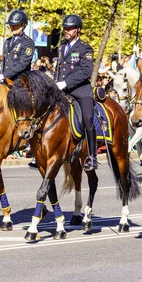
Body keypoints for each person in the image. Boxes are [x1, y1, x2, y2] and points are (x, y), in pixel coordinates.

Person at [54, 14, 98, 171]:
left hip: (80, 90)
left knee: (87, 118)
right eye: (65, 28)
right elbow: (59, 69)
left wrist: (65, 83)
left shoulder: (85, 48)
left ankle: (92, 156)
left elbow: (86, 71)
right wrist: (55, 83)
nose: (66, 31)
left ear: (78, 30)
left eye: (70, 28)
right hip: (62, 90)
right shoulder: (61, 48)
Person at [0, 10, 35, 83]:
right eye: (11, 25)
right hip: (5, 80)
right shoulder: (7, 41)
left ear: (23, 25)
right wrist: (1, 75)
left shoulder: (28, 42)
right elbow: (4, 62)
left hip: (19, 81)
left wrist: (4, 75)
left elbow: (22, 64)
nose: (13, 27)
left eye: (16, 25)